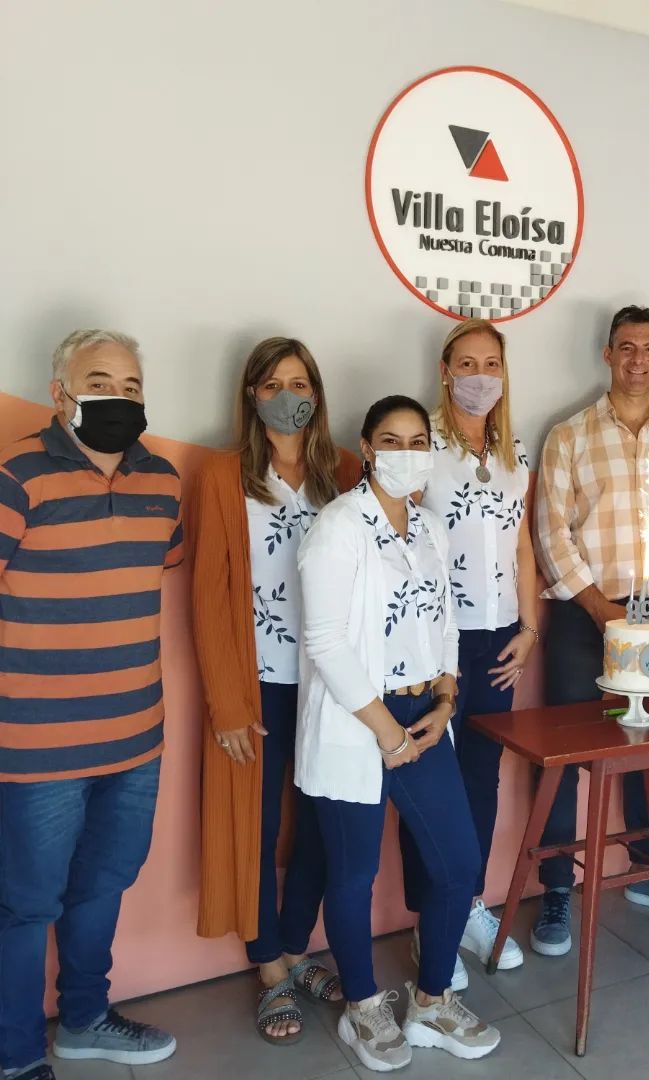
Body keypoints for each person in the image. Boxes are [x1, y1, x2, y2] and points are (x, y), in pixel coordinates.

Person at [296, 396, 500, 1070]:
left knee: (458, 864)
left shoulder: (429, 528)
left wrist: (446, 695)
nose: (406, 453)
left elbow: (446, 619)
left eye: (418, 442)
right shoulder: (337, 527)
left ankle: (433, 1001)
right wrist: (387, 733)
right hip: (358, 720)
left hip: (423, 714)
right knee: (353, 874)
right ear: (366, 447)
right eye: (391, 440)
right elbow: (325, 641)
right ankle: (362, 1008)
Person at [0, 330, 181, 1080]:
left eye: (132, 386)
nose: (119, 398)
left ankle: (83, 1021)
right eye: (100, 382)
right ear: (61, 393)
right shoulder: (17, 477)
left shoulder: (163, 481)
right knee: (26, 904)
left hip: (135, 740)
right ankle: (14, 1056)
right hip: (36, 747)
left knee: (104, 885)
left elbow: (157, 567)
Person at [532, 305, 649, 955]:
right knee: (565, 749)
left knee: (648, 744)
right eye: (626, 347)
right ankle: (556, 886)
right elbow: (551, 531)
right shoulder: (569, 435)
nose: (638, 359)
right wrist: (599, 610)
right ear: (607, 355)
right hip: (584, 615)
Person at [191, 337, 361, 1043]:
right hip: (259, 686)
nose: (287, 395)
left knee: (325, 823)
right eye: (271, 384)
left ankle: (294, 946)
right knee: (257, 829)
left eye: (299, 382)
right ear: (251, 395)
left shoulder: (344, 471)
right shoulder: (223, 474)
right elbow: (208, 594)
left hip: (333, 685)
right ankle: (268, 967)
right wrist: (227, 704)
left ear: (316, 393)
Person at [400, 319, 536, 989]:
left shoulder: (514, 448)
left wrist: (530, 627)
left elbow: (522, 545)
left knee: (482, 776)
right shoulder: (421, 445)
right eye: (467, 363)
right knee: (433, 781)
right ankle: (432, 923)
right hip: (437, 641)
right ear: (445, 370)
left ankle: (469, 904)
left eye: (491, 363)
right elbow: (396, 540)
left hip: (499, 637)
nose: (480, 375)